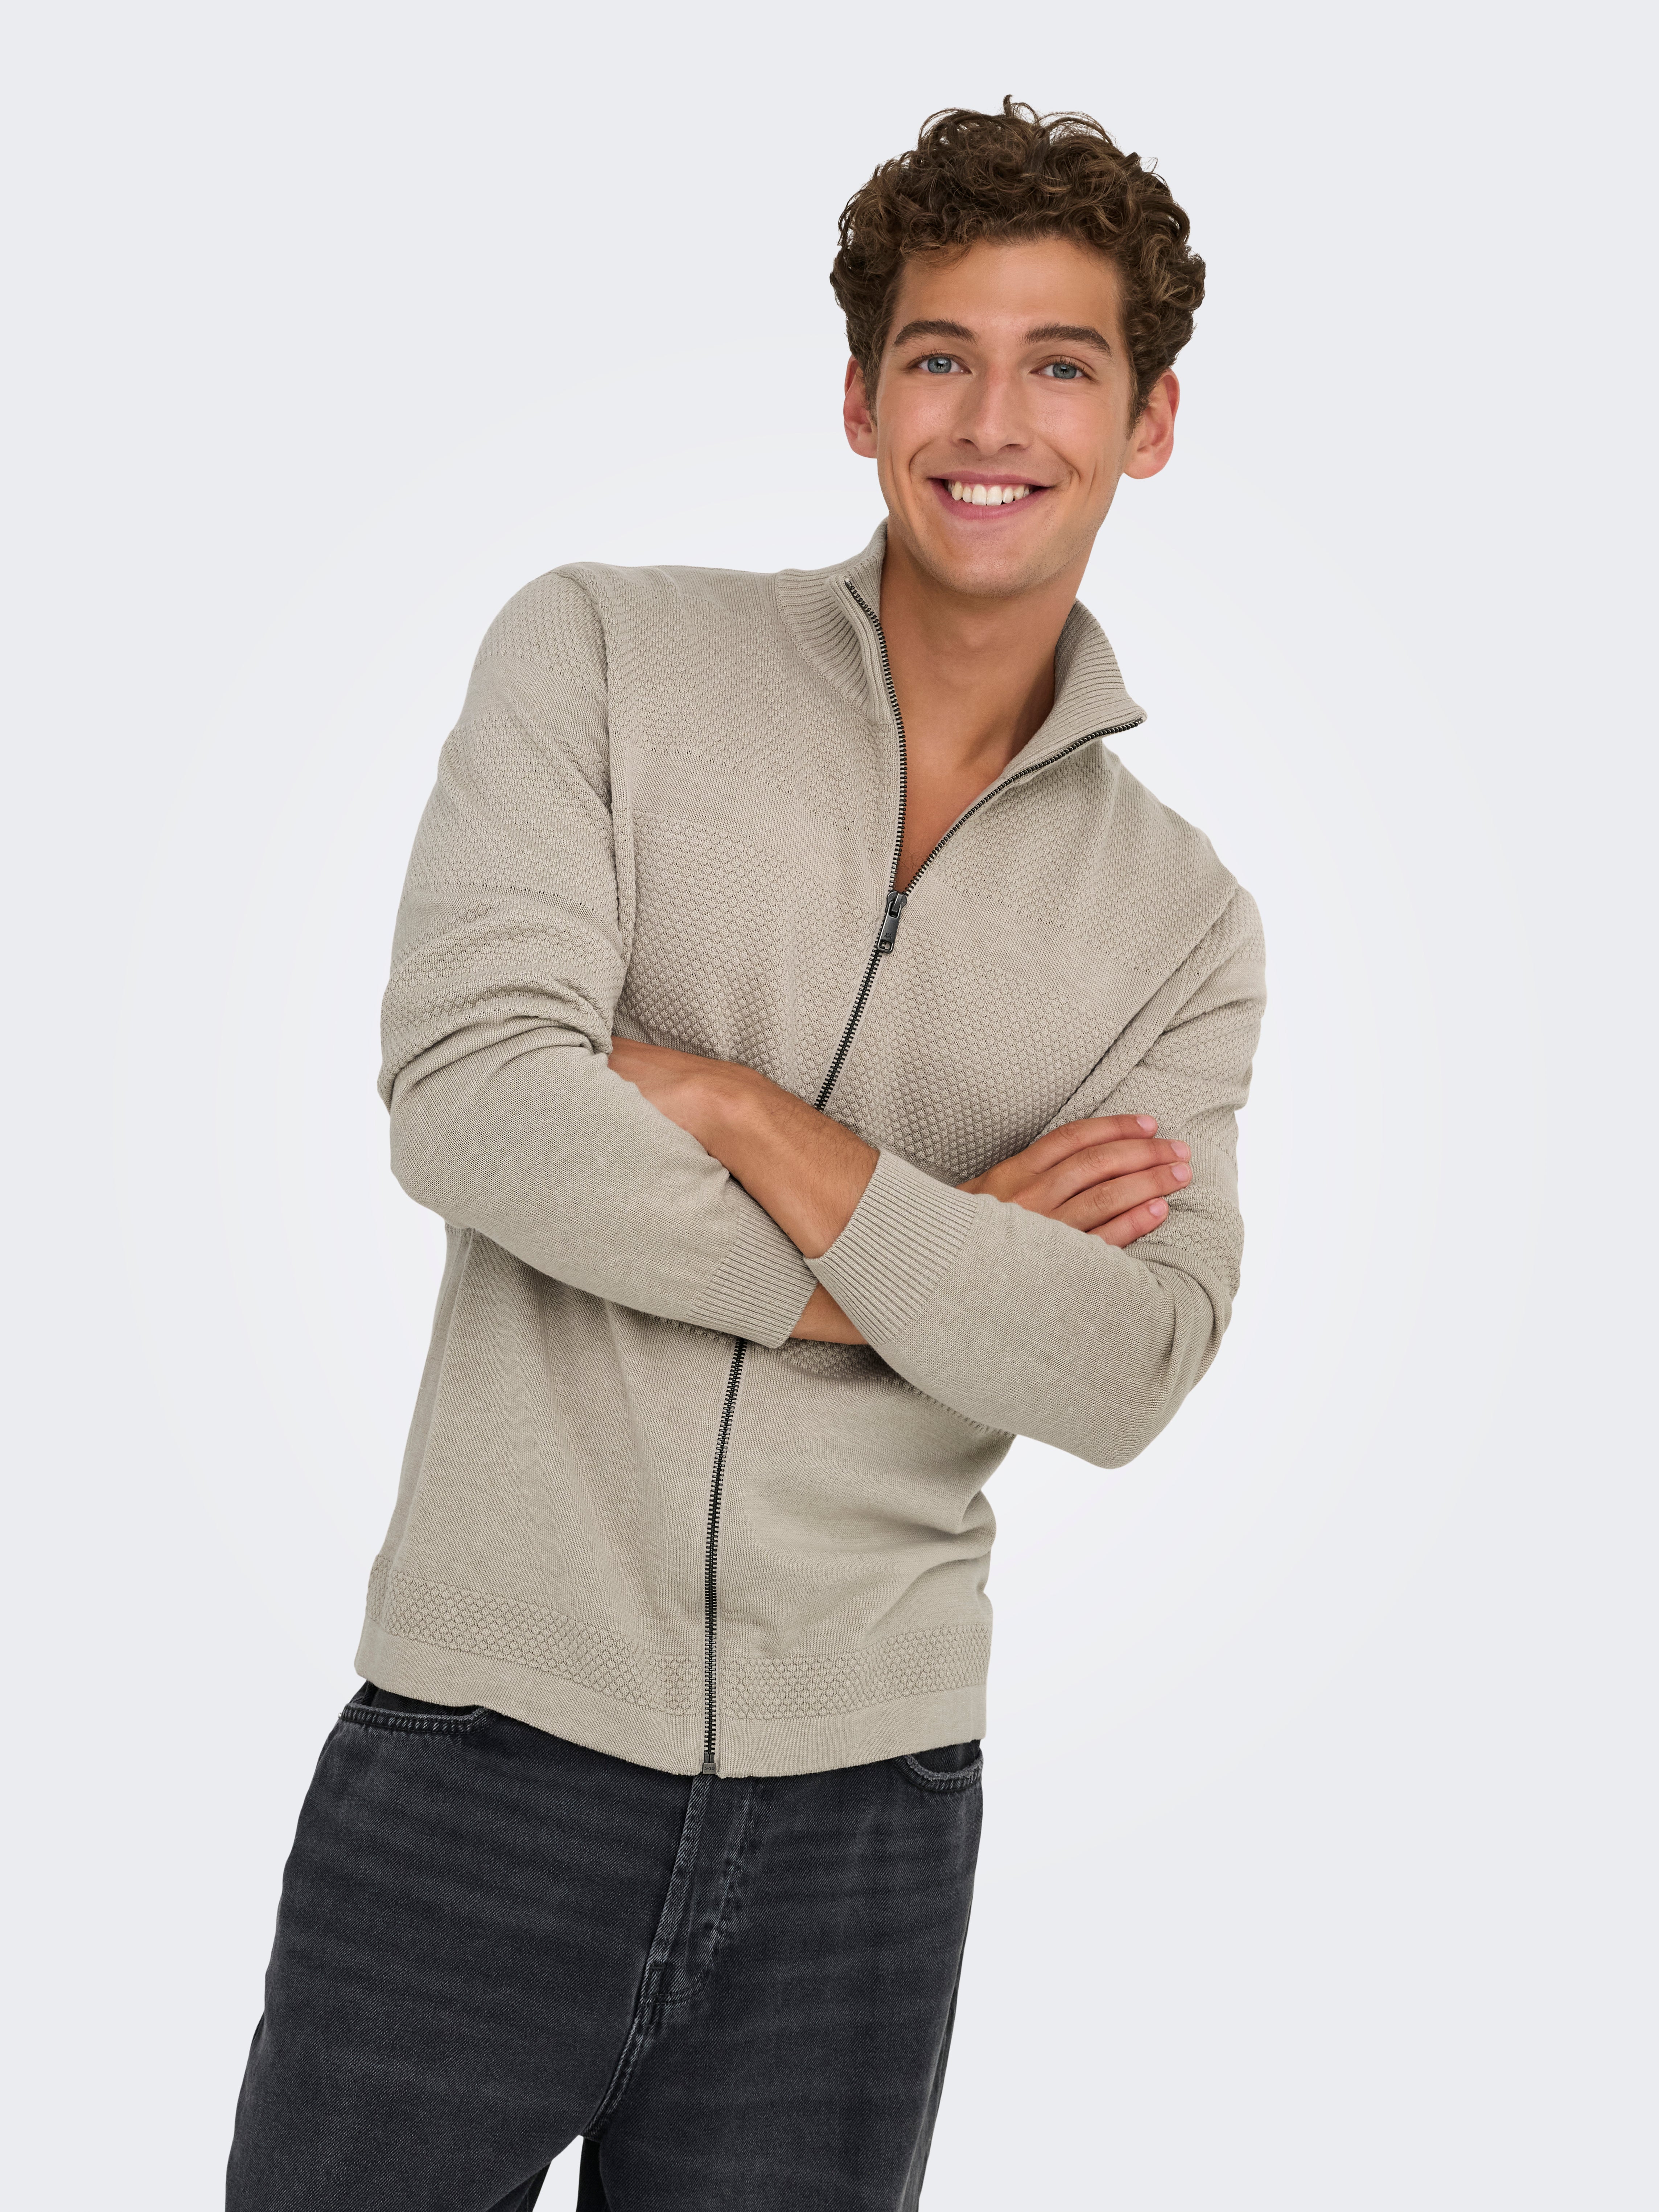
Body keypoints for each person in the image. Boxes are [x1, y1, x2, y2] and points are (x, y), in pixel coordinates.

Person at [227, 96, 1266, 2212]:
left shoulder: (1180, 923)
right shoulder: (606, 657)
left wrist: (749, 1115)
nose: (995, 420)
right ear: (863, 401)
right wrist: (937, 1265)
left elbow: (1128, 1362)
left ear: (1149, 423)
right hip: (483, 1755)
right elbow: (474, 1095)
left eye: (1062, 365)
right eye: (940, 357)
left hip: (869, 1816)